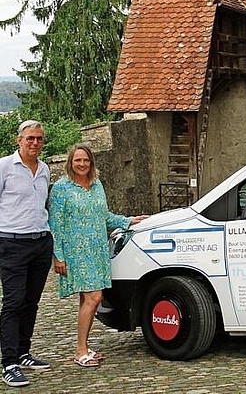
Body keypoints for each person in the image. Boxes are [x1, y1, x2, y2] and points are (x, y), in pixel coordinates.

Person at [48, 144, 147, 368]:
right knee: (94, 298)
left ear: (91, 162)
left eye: (86, 160)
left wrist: (128, 221)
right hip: (76, 253)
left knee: (88, 300)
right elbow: (55, 225)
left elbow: (104, 216)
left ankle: (85, 345)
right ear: (70, 162)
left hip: (97, 250)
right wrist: (59, 256)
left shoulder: (96, 184)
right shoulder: (61, 188)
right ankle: (80, 350)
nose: (82, 164)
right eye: (77, 160)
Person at [0, 120, 53, 387]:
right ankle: (8, 363)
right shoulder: (4, 167)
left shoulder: (44, 169)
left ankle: (23, 353)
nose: (35, 143)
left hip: (40, 243)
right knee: (13, 303)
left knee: (31, 302)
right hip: (12, 244)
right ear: (19, 140)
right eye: (30, 138)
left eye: (39, 139)